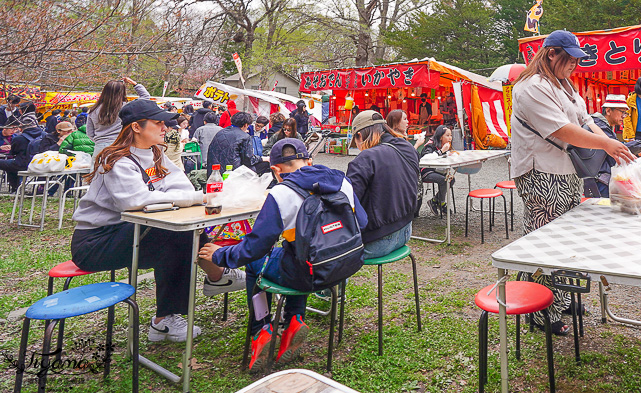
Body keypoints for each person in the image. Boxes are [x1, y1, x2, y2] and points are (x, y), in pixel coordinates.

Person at [70, 100, 245, 343]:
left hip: (129, 232)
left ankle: (174, 313)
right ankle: (213, 278)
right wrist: (193, 198)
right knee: (176, 235)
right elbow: (135, 201)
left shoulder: (156, 153)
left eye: (165, 123)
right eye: (158, 123)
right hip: (95, 242)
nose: (165, 128)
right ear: (136, 127)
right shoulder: (116, 160)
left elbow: (180, 186)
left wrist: (181, 198)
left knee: (183, 231)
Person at [199, 138, 367, 371]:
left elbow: (253, 249)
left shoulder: (282, 194)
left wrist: (220, 255)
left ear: (276, 171)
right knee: (298, 255)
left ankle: (261, 329)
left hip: (307, 273)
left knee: (258, 264)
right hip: (344, 266)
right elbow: (363, 222)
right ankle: (293, 321)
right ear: (309, 160)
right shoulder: (341, 181)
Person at [511, 30, 633, 334]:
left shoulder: (563, 85)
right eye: (569, 59)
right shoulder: (531, 87)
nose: (574, 66)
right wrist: (606, 146)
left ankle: (561, 298)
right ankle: (541, 313)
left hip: (564, 172)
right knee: (544, 240)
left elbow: (585, 119)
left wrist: (611, 143)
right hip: (541, 172)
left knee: (565, 238)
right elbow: (562, 129)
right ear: (551, 53)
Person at [345, 110, 418, 259]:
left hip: (378, 240)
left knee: (326, 254)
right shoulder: (408, 147)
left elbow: (348, 203)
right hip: (406, 231)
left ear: (360, 135)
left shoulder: (365, 158)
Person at [588, 94, 641, 198]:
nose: (624, 116)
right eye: (622, 112)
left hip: (598, 178)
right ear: (608, 111)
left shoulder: (601, 124)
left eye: (625, 113)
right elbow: (616, 148)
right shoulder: (599, 125)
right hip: (599, 179)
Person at [88, 77, 151, 160]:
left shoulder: (93, 110)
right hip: (120, 147)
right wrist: (134, 84)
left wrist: (100, 140)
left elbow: (90, 133)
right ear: (122, 92)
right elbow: (146, 97)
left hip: (100, 149)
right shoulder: (126, 107)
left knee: (97, 172)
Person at [418, 125, 456, 216]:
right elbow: (425, 158)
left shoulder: (444, 145)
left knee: (451, 179)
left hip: (437, 170)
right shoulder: (430, 145)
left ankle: (434, 201)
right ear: (440, 136)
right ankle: (441, 203)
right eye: (447, 135)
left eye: (451, 135)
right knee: (444, 180)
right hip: (425, 171)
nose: (450, 138)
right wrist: (441, 151)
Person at [0, 115, 45, 191]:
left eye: (16, 129)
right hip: (40, 164)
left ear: (21, 129)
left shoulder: (18, 138)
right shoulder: (44, 135)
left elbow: (13, 152)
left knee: (11, 166)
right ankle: (18, 187)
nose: (13, 131)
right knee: (11, 165)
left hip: (22, 164)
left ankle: (16, 188)